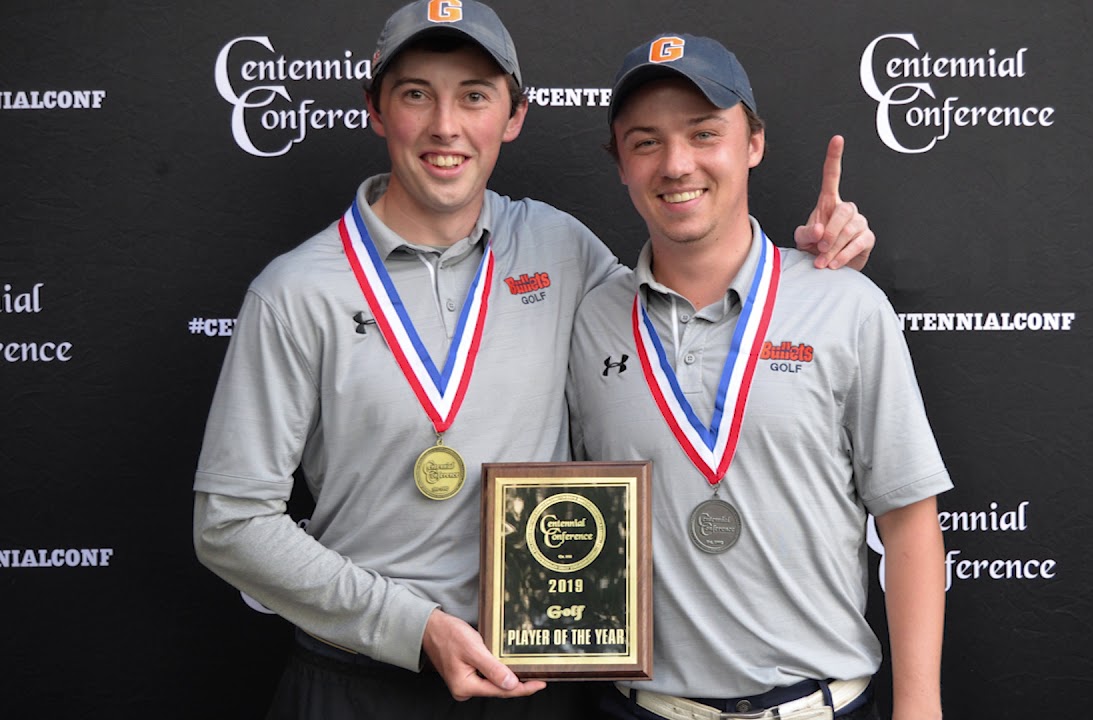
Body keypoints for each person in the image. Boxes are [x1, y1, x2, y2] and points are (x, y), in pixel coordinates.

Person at [192, 2, 875, 718]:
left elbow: (682, 313)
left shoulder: (561, 250)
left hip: (538, 684)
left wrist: (804, 273)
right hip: (359, 681)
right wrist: (413, 629)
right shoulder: (294, 291)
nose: (445, 126)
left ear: (514, 116)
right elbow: (231, 524)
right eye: (415, 93)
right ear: (374, 109)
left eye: (475, 96)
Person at [567, 34, 952, 720]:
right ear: (619, 162)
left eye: (704, 133)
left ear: (754, 144)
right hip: (644, 708)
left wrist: (919, 708)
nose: (676, 164)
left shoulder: (845, 303)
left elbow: (909, 519)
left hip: (820, 707)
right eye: (645, 141)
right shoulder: (587, 318)